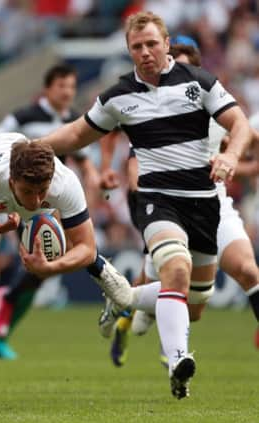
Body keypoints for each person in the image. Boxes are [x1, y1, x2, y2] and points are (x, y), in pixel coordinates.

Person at [38, 12, 253, 399]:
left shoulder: (200, 82)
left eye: (152, 44)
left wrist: (232, 156)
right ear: (129, 51)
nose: (145, 52)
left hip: (204, 203)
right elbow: (77, 133)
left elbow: (239, 125)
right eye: (137, 47)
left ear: (166, 44)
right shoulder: (119, 96)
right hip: (157, 201)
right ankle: (177, 359)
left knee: (197, 303)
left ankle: (124, 296)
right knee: (175, 268)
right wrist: (32, 146)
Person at [107, 38, 259, 367]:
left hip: (212, 206)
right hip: (167, 207)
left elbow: (245, 137)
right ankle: (167, 346)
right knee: (166, 283)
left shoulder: (217, 105)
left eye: (187, 65)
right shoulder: (155, 118)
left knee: (228, 283)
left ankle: (126, 302)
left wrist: (239, 163)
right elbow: (126, 156)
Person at [0, 133, 134, 346]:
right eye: (28, 191)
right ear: (11, 181)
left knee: (64, 239)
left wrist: (51, 268)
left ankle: (101, 273)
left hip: (9, 157)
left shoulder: (64, 182)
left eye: (42, 191)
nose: (36, 201)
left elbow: (87, 248)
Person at [0, 63, 102, 359]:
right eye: (62, 86)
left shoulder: (73, 119)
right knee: (38, 263)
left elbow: (82, 156)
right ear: (48, 88)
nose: (67, 92)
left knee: (40, 271)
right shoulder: (23, 117)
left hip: (51, 200)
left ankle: (4, 317)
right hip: (22, 200)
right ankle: (4, 307)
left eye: (72, 87)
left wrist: (92, 174)